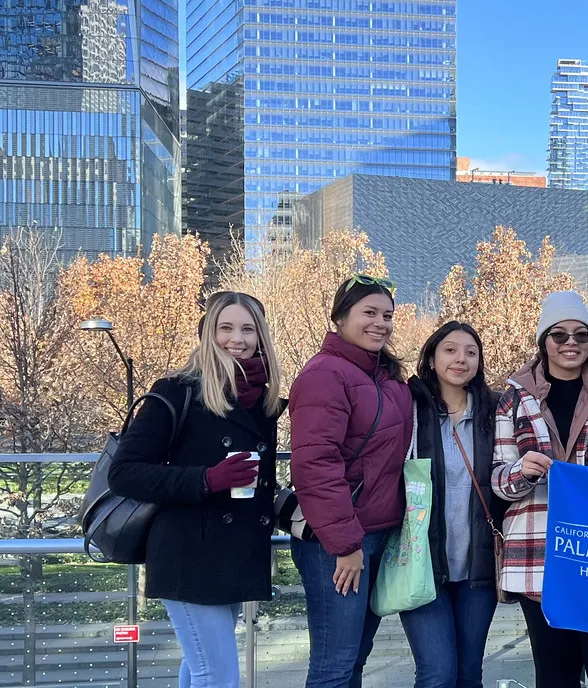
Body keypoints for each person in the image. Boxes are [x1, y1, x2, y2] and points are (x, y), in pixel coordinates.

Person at [109, 291, 284, 688]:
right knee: (218, 675)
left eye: (247, 328)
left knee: (201, 667)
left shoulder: (262, 401)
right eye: (225, 327)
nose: (236, 338)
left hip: (235, 553)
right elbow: (124, 472)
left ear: (261, 337)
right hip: (188, 551)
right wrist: (207, 480)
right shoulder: (178, 390)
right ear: (207, 333)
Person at [490, 291, 588, 688]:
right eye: (559, 335)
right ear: (544, 341)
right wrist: (522, 471)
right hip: (537, 553)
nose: (570, 343)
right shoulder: (513, 399)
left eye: (581, 335)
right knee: (555, 675)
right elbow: (499, 481)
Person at [288, 275, 414, 688]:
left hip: (376, 534)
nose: (381, 323)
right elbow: (316, 464)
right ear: (340, 317)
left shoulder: (385, 377)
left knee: (354, 659)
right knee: (334, 665)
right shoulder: (325, 374)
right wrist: (346, 545)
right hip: (339, 542)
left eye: (387, 315)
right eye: (369, 313)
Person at [401, 321, 500, 688]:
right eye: (450, 350)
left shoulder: (494, 412)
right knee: (437, 673)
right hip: (424, 563)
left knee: (468, 672)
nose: (461, 359)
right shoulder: (410, 410)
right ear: (431, 356)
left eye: (471, 352)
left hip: (479, 567)